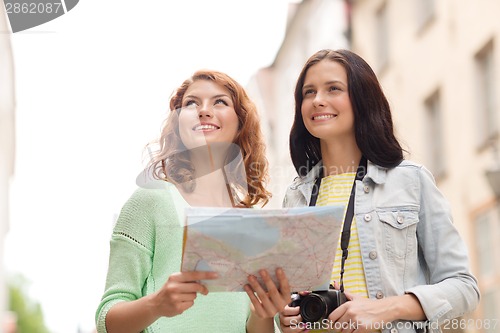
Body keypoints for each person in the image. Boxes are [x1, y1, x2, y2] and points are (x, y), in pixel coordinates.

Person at [261, 49, 480, 333]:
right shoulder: (296, 195)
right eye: (308, 92)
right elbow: (295, 298)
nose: (318, 100)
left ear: (362, 99)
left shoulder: (410, 181)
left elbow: (464, 288)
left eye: (333, 89)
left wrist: (385, 308)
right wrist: (287, 317)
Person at [95, 69, 290, 333]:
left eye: (219, 102)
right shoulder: (151, 200)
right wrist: (156, 305)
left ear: (240, 123)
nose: (204, 110)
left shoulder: (253, 220)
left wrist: (261, 313)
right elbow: (106, 319)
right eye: (191, 103)